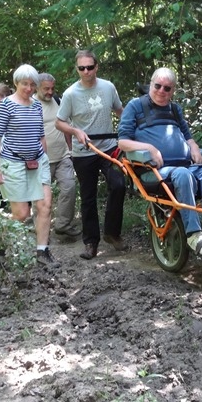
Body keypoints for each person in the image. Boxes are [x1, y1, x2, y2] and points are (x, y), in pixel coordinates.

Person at [118, 67, 202, 256]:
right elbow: (122, 141)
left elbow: (188, 137)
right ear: (151, 84)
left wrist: (194, 146)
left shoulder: (174, 109)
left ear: (173, 91)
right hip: (154, 170)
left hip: (185, 166)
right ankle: (193, 233)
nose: (161, 91)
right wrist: (150, 148)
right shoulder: (135, 106)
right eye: (158, 86)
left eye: (167, 88)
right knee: (182, 174)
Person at [56, 50, 127, 260]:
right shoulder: (70, 94)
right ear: (77, 69)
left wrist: (128, 129)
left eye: (90, 67)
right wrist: (76, 131)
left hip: (109, 147)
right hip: (83, 152)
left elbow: (120, 110)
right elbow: (59, 122)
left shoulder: (108, 87)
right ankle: (90, 242)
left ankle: (112, 234)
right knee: (88, 197)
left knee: (119, 185)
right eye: (82, 68)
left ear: (96, 67)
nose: (86, 71)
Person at [0, 64, 59, 268]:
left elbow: (41, 136)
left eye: (32, 84)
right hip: (13, 163)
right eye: (24, 84)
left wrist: (44, 159)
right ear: (16, 83)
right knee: (21, 214)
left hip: (38, 161)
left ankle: (42, 252)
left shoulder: (37, 105)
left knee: (45, 205)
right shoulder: (6, 106)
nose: (29, 88)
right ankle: (2, 244)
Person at [34, 73, 80, 238]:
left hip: (62, 156)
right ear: (37, 87)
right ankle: (39, 228)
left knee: (69, 187)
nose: (50, 92)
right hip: (41, 160)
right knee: (40, 197)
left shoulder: (58, 101)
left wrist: (70, 149)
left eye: (52, 88)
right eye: (46, 88)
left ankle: (63, 224)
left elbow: (65, 126)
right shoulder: (30, 105)